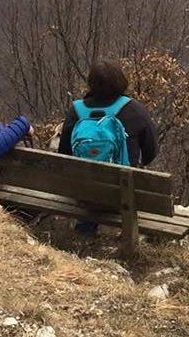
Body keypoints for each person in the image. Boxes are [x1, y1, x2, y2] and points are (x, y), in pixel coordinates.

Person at [58, 59, 158, 235]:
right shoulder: (135, 110)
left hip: (82, 194)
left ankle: (85, 232)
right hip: (121, 197)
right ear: (121, 81)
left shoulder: (75, 111)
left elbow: (64, 155)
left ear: (91, 83)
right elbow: (150, 154)